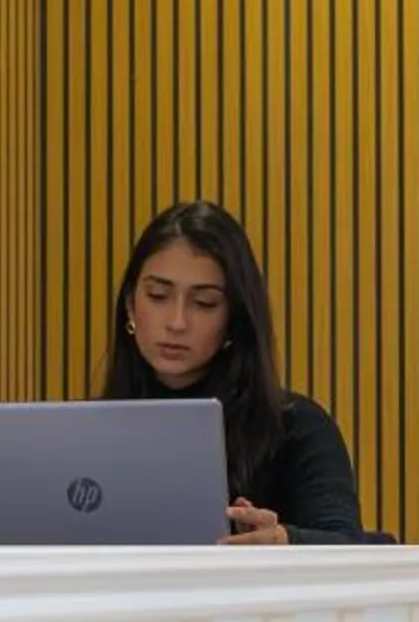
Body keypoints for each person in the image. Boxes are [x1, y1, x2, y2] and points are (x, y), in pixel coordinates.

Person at [101, 200, 368, 545]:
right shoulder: (90, 433)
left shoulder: (296, 428)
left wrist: (286, 541)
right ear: (129, 304)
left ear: (234, 318)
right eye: (158, 295)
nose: (177, 322)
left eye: (204, 303)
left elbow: (354, 546)